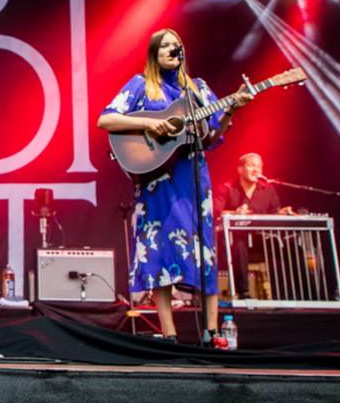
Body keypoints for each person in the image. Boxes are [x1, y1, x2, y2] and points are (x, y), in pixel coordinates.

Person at [97, 28, 251, 343]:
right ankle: (168, 333)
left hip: (192, 177)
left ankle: (210, 332)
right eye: (165, 46)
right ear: (154, 54)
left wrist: (232, 107)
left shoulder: (198, 90)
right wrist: (149, 122)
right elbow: (107, 119)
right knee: (159, 249)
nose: (171, 49)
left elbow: (211, 137)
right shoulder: (141, 86)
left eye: (176, 45)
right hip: (156, 181)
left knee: (204, 250)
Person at [213, 152, 295, 298]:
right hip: (231, 243)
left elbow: (274, 213)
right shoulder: (226, 188)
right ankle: (244, 293)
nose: (256, 170)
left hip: (260, 240)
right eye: (251, 165)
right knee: (239, 244)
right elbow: (215, 213)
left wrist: (282, 212)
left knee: (282, 246)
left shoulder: (268, 189)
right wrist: (233, 213)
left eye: (259, 167)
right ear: (240, 169)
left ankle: (283, 295)